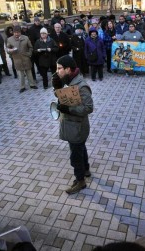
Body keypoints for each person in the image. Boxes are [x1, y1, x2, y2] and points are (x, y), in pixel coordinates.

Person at [51, 55, 93, 194]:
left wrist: (68, 109)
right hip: (72, 126)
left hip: (77, 127)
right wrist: (57, 87)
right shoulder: (68, 81)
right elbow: (65, 97)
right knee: (80, 148)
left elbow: (88, 108)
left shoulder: (81, 86)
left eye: (59, 68)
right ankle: (86, 169)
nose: (57, 71)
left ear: (68, 69)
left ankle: (80, 181)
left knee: (75, 156)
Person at [6, 26, 38, 93]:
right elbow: (7, 49)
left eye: (18, 32)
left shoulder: (25, 38)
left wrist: (29, 53)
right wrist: (11, 50)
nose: (16, 34)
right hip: (17, 59)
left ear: (20, 32)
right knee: (20, 74)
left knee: (29, 72)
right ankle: (22, 87)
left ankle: (32, 85)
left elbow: (30, 47)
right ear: (13, 33)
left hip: (26, 58)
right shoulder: (9, 39)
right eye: (15, 32)